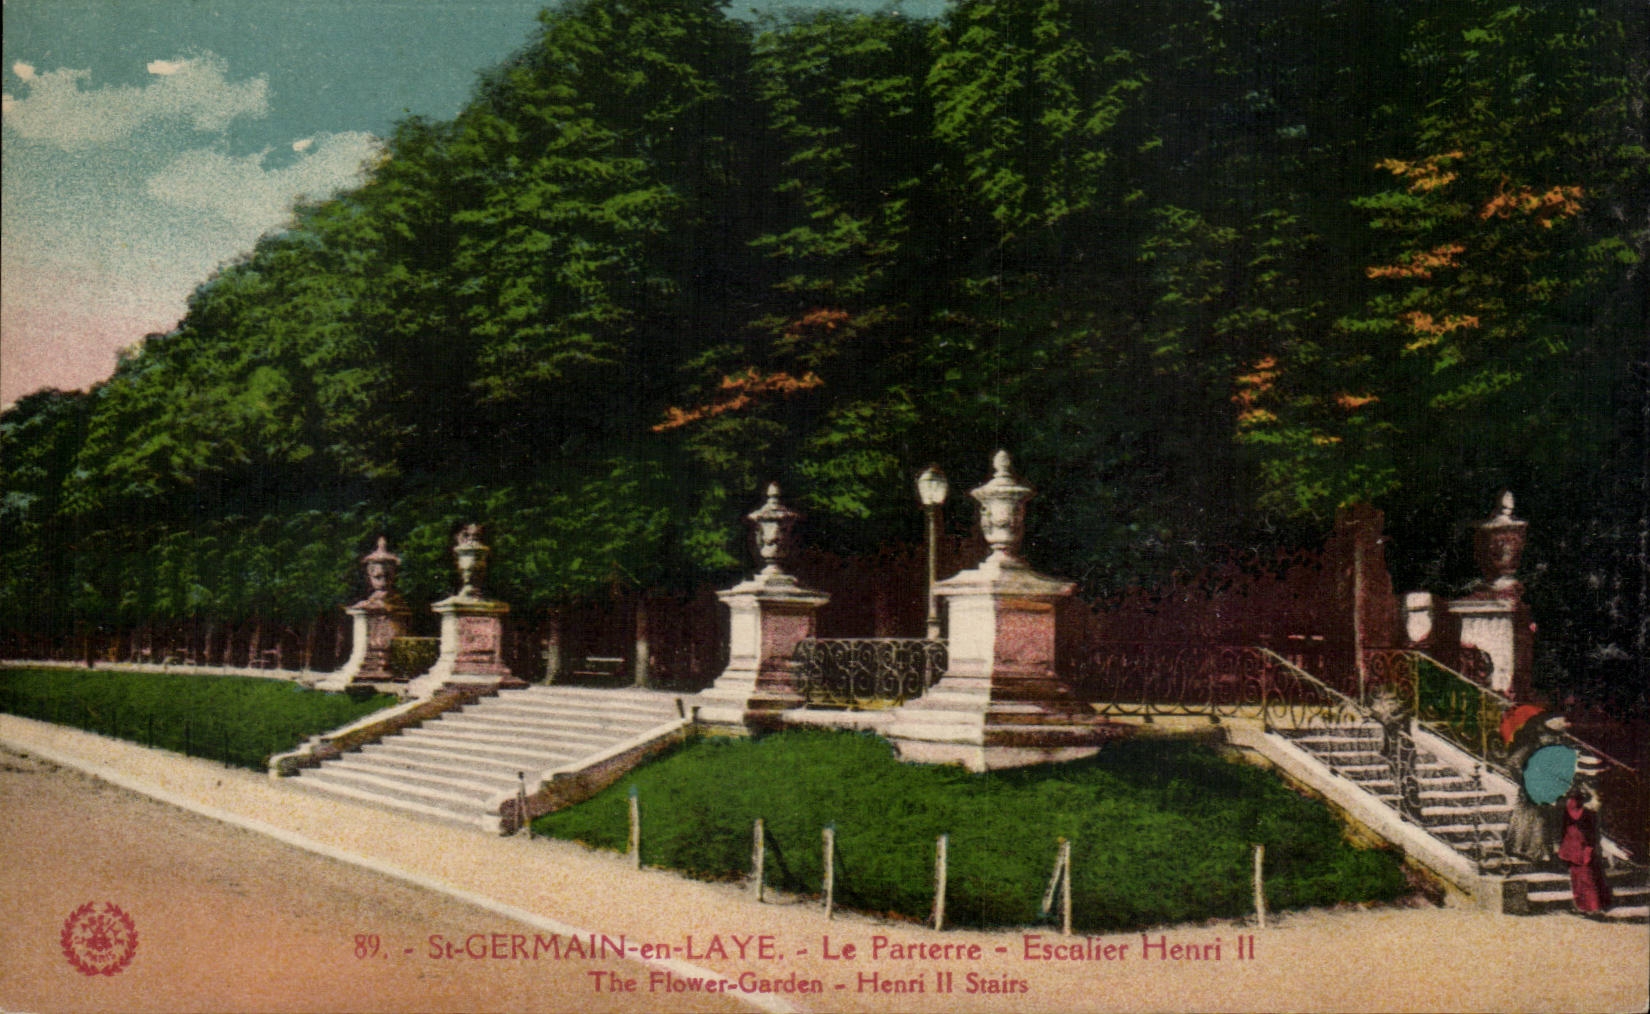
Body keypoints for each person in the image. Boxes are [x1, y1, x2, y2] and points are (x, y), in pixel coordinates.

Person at [1502, 714, 1567, 862]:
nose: (1555, 740)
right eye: (1552, 736)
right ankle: (1523, 849)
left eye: (1557, 737)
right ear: (1544, 735)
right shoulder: (1531, 749)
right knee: (1530, 818)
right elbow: (1513, 764)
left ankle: (1540, 853)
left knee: (1542, 820)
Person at [1557, 782, 1612, 914]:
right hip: (1577, 844)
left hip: (1582, 844)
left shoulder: (1581, 806)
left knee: (1585, 877)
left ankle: (1592, 907)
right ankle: (1586, 906)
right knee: (1581, 877)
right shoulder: (1575, 805)